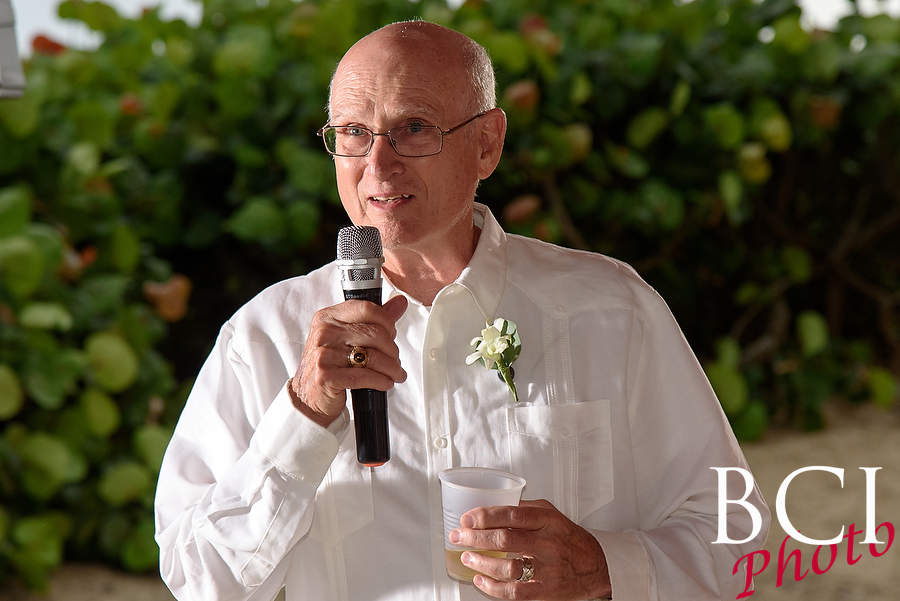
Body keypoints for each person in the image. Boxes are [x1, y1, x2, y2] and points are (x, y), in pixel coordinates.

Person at [155, 20, 770, 601]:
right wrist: (303, 416)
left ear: (487, 144)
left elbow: (738, 534)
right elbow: (197, 579)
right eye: (353, 133)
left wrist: (603, 569)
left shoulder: (612, 310)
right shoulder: (265, 336)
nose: (378, 165)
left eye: (414, 127)